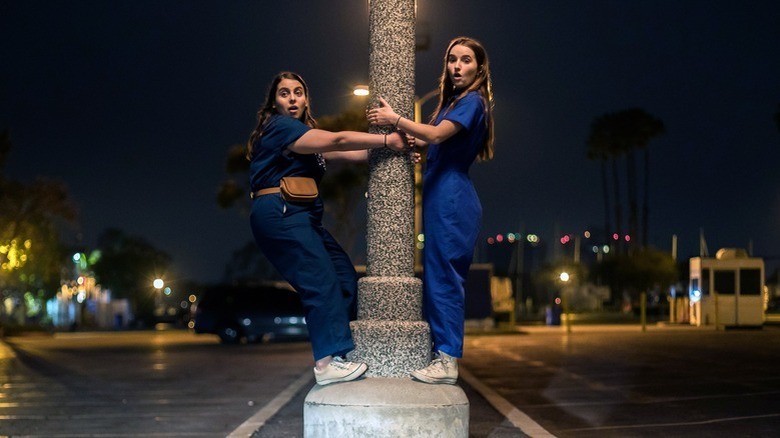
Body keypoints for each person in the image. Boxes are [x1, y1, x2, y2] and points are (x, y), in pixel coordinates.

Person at [247, 71, 409, 385]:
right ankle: (325, 364)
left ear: (306, 98)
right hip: (280, 211)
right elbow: (337, 139)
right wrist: (387, 138)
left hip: (304, 216)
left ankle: (340, 351)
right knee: (319, 279)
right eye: (284, 93)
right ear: (274, 103)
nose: (292, 98)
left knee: (345, 278)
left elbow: (352, 153)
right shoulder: (281, 127)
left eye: (298, 92)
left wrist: (398, 148)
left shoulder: (306, 133)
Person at [368, 36, 495, 384]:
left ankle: (448, 359)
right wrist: (416, 146)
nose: (457, 66)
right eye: (452, 59)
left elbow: (437, 136)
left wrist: (396, 120)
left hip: (453, 198)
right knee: (437, 278)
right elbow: (433, 141)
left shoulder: (472, 101)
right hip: (442, 193)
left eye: (466, 60)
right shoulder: (455, 102)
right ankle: (442, 352)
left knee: (445, 280)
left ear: (479, 68)